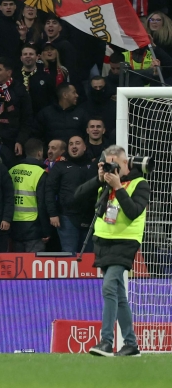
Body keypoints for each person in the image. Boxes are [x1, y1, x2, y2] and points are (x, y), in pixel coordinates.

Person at [73, 146, 150, 357]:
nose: (112, 168)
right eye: (108, 164)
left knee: (108, 287)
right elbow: (76, 196)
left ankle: (106, 341)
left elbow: (133, 211)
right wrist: (99, 179)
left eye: (116, 163)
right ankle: (131, 344)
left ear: (126, 163)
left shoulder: (139, 184)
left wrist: (119, 187)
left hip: (125, 242)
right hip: (103, 242)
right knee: (118, 294)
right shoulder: (103, 185)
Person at [47, 134, 97, 253]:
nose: (74, 146)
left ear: (85, 147)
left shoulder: (94, 166)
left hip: (91, 217)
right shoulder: (60, 166)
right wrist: (53, 213)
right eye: (71, 144)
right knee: (69, 254)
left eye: (77, 143)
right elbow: (49, 190)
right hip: (67, 217)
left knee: (89, 256)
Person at [8, 139, 52, 252]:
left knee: (18, 265)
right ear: (39, 153)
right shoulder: (40, 173)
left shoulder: (12, 170)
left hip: (12, 224)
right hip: (34, 227)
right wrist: (46, 230)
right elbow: (42, 203)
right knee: (33, 266)